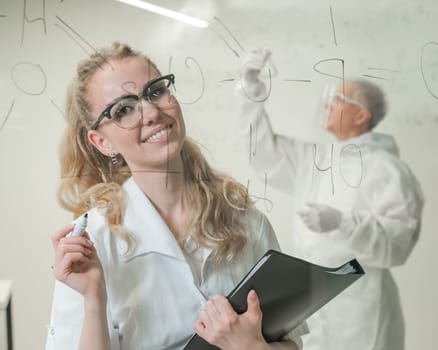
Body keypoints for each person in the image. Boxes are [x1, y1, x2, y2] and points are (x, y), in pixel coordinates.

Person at [45, 42, 308, 350]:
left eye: (155, 91)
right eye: (124, 110)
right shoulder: (92, 243)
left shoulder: (246, 220)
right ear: (101, 141)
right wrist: (93, 298)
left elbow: (289, 342)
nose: (152, 113)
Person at [237, 48, 424, 350]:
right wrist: (250, 90)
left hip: (362, 310)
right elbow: (262, 153)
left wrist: (343, 223)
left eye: (338, 100)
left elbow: (397, 245)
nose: (327, 105)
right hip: (312, 303)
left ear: (362, 115)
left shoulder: (386, 168)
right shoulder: (317, 158)